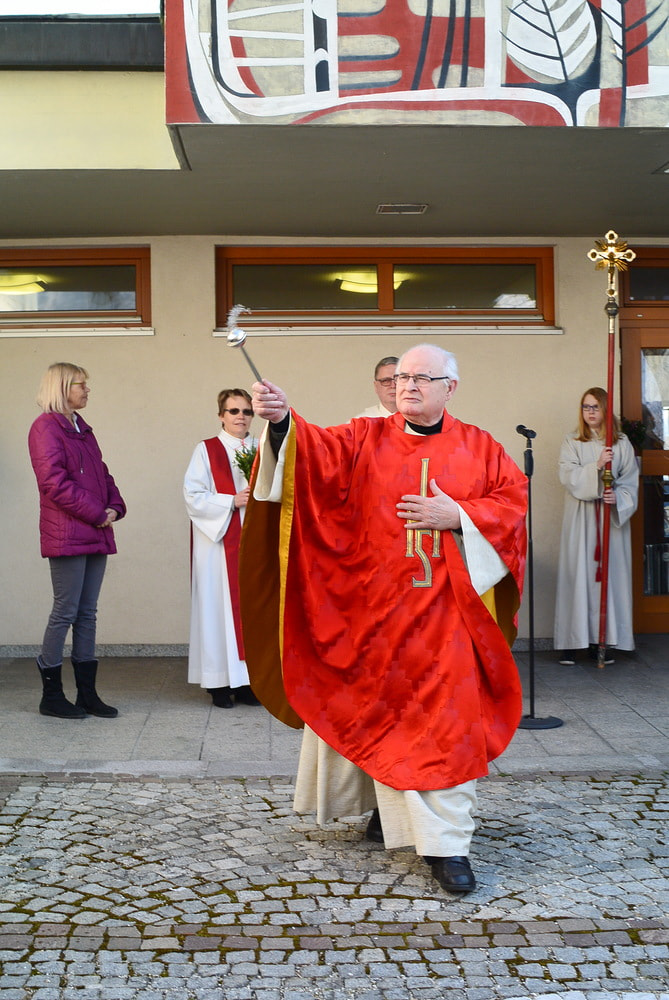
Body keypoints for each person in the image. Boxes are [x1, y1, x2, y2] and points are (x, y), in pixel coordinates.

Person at [241, 344, 527, 896]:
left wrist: (459, 514)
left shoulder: (481, 447)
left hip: (447, 616)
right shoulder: (363, 437)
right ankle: (386, 808)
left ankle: (447, 846)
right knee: (374, 711)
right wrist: (280, 422)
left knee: (447, 724)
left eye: (422, 378)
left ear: (450, 387)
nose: (408, 386)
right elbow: (312, 456)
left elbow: (512, 505)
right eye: (401, 378)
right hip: (372, 612)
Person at [28, 362, 126, 720]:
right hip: (69, 532)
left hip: (95, 529)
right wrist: (97, 513)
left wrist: (115, 506)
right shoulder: (45, 427)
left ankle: (87, 694)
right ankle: (52, 696)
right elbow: (53, 483)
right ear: (62, 388)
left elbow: (102, 473)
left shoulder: (81, 428)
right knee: (65, 611)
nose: (87, 390)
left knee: (87, 613)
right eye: (80, 385)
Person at [184, 388, 260, 709]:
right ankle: (218, 683)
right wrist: (231, 500)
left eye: (246, 411)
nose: (241, 417)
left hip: (254, 545)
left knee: (252, 612)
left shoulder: (262, 448)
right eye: (234, 411)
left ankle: (246, 683)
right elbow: (193, 495)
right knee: (217, 611)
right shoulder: (206, 450)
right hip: (218, 547)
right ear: (221, 416)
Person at [554, 387, 639, 666]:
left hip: (609, 521)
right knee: (577, 576)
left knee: (608, 580)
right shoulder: (572, 441)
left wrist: (619, 498)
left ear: (605, 410)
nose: (590, 412)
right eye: (585, 407)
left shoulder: (621, 443)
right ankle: (571, 643)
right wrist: (596, 466)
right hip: (581, 520)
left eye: (595, 407)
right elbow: (567, 475)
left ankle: (602, 641)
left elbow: (630, 481)